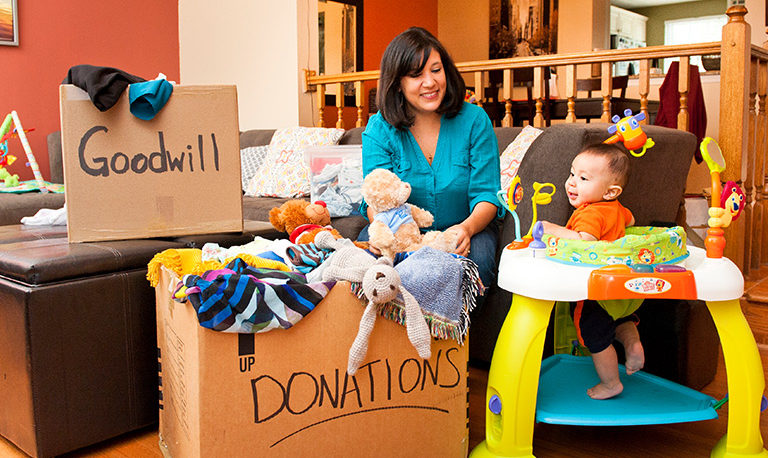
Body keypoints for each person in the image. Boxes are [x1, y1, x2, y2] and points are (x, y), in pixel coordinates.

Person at [359, 26, 501, 298]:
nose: (430, 82)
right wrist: (384, 232)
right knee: (370, 262)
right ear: (397, 82)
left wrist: (467, 228)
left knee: (479, 260)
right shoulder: (379, 129)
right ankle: (397, 337)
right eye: (416, 75)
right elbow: (376, 199)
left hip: (467, 226)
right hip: (402, 230)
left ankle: (455, 339)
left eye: (436, 70)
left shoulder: (475, 121)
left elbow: (487, 194)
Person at [541, 143, 644, 400]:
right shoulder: (616, 208)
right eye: (572, 173)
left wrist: (550, 228)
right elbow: (630, 221)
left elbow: (584, 240)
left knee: (594, 337)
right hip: (620, 288)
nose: (572, 183)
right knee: (620, 320)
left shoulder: (591, 213)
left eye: (584, 178)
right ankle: (632, 344)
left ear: (611, 192)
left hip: (594, 289)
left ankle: (611, 383)